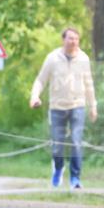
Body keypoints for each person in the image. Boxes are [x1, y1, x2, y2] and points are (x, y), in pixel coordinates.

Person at [30, 27, 98, 189]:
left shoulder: (83, 59)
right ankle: (59, 168)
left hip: (77, 106)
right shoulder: (53, 58)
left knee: (76, 141)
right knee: (57, 143)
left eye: (76, 38)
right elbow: (41, 80)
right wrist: (35, 96)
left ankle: (75, 178)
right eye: (70, 38)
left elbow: (89, 84)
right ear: (63, 40)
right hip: (57, 107)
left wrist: (93, 106)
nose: (73, 41)